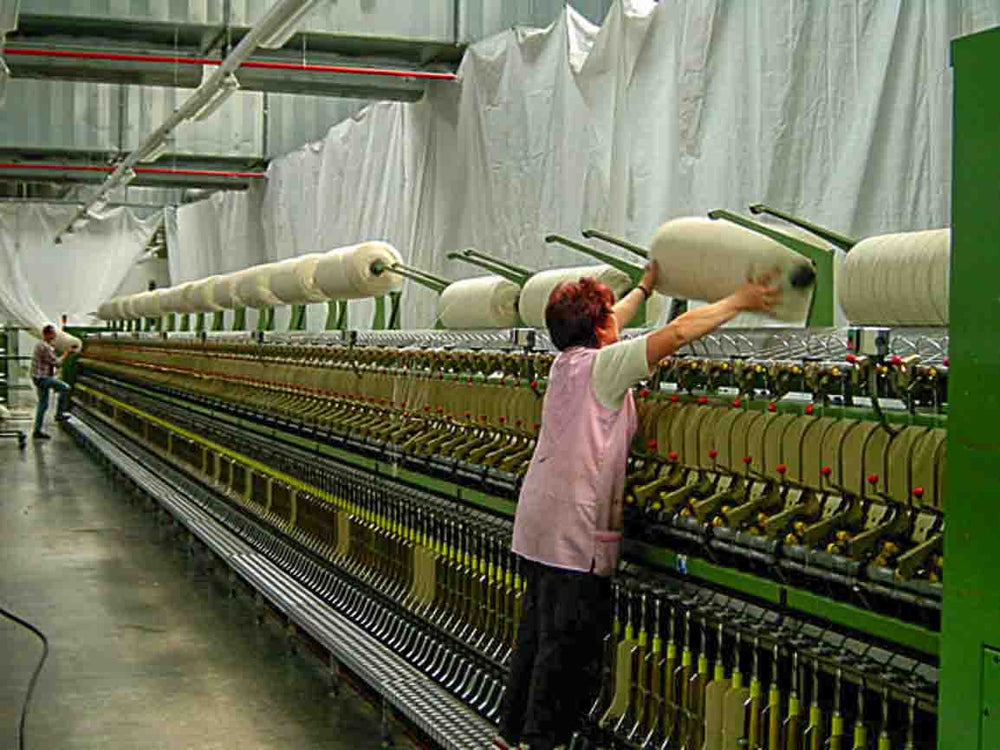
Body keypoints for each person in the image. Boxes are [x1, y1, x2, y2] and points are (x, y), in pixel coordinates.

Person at [492, 262, 779, 750]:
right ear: (599, 328)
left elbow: (616, 320)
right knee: (565, 646)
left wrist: (645, 285)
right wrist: (739, 301)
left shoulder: (566, 363)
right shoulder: (606, 367)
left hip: (539, 520)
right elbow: (677, 332)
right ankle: (541, 743)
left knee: (537, 633)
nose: (614, 322)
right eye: (608, 318)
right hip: (571, 530)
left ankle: (513, 734)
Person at [31, 324, 73, 439]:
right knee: (65, 388)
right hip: (42, 378)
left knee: (43, 405)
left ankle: (37, 431)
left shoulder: (41, 344)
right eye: (53, 333)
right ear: (48, 334)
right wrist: (67, 353)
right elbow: (57, 363)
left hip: (38, 377)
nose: (55, 335)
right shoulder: (45, 347)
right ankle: (59, 414)